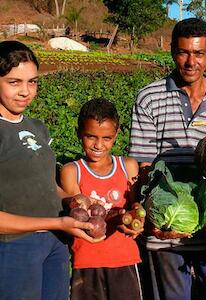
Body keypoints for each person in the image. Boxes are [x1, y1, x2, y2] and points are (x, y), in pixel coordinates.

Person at [129, 18, 206, 300]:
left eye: (199, 53)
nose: (191, 62)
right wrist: (153, 218)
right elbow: (142, 165)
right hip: (165, 233)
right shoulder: (148, 98)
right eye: (183, 52)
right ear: (171, 52)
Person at [0, 40, 100, 299]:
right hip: (14, 247)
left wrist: (72, 199)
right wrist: (57, 222)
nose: (25, 91)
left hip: (54, 242)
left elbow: (47, 184)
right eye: (14, 82)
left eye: (32, 82)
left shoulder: (37, 127)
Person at [60, 98, 143, 299]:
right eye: (91, 136)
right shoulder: (72, 171)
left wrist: (135, 219)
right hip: (87, 260)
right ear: (78, 133)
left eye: (106, 138)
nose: (98, 145)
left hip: (124, 258)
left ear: (116, 135)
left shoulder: (128, 166)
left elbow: (136, 206)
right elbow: (77, 213)